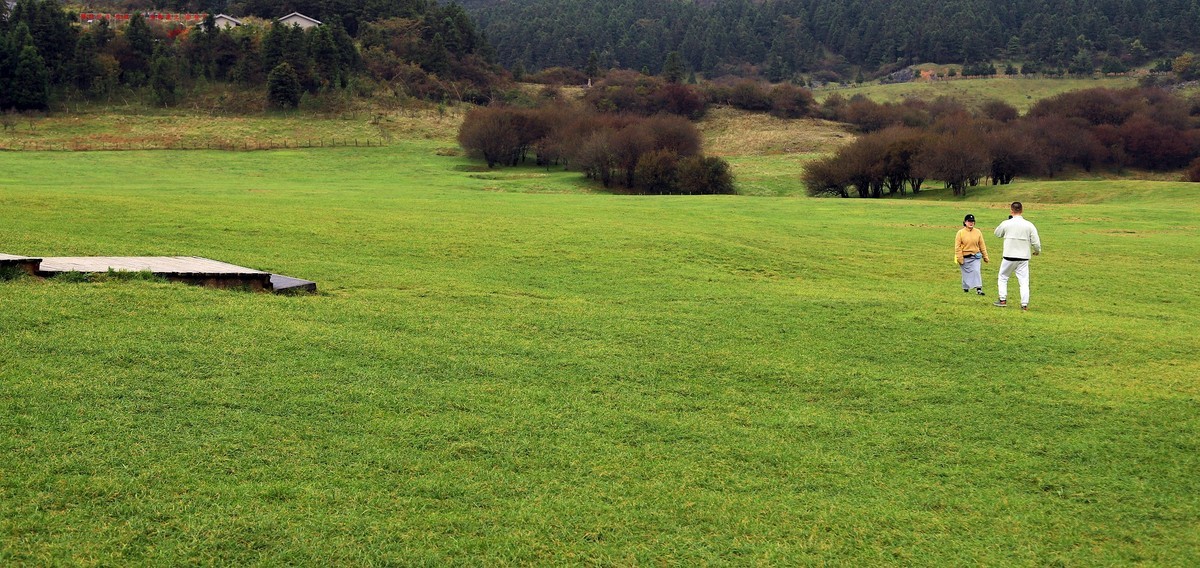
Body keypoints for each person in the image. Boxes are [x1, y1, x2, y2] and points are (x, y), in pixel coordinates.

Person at [992, 201, 1041, 311]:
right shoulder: (1029, 225)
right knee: (1024, 281)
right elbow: (1036, 242)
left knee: (1003, 277)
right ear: (1022, 210)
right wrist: (1037, 251)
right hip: (1023, 257)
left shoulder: (1006, 223)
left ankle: (1002, 299)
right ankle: (1024, 304)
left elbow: (997, 233)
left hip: (1009, 256)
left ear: (1011, 211)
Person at [954, 213, 989, 295]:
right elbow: (957, 247)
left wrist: (985, 256)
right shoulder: (960, 233)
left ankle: (979, 289)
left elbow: (982, 245)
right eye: (969, 221)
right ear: (965, 222)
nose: (971, 223)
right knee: (966, 274)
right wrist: (960, 258)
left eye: (972, 221)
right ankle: (965, 289)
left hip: (975, 256)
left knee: (976, 271)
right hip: (964, 257)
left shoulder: (978, 232)